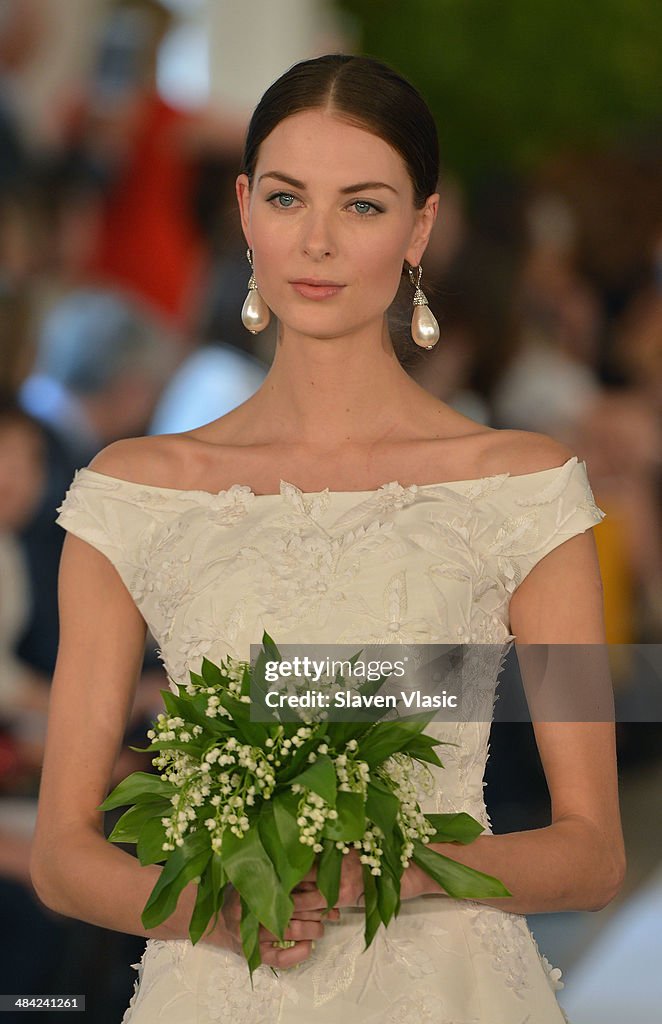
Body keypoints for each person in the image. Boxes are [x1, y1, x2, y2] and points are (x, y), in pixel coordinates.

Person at [31, 54, 626, 1023]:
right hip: (218, 985)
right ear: (242, 209)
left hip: (451, 992)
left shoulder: (525, 486)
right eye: (285, 197)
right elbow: (62, 851)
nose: (314, 241)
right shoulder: (131, 494)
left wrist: (399, 868)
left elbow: (592, 849)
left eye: (359, 205)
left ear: (418, 227)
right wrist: (216, 909)